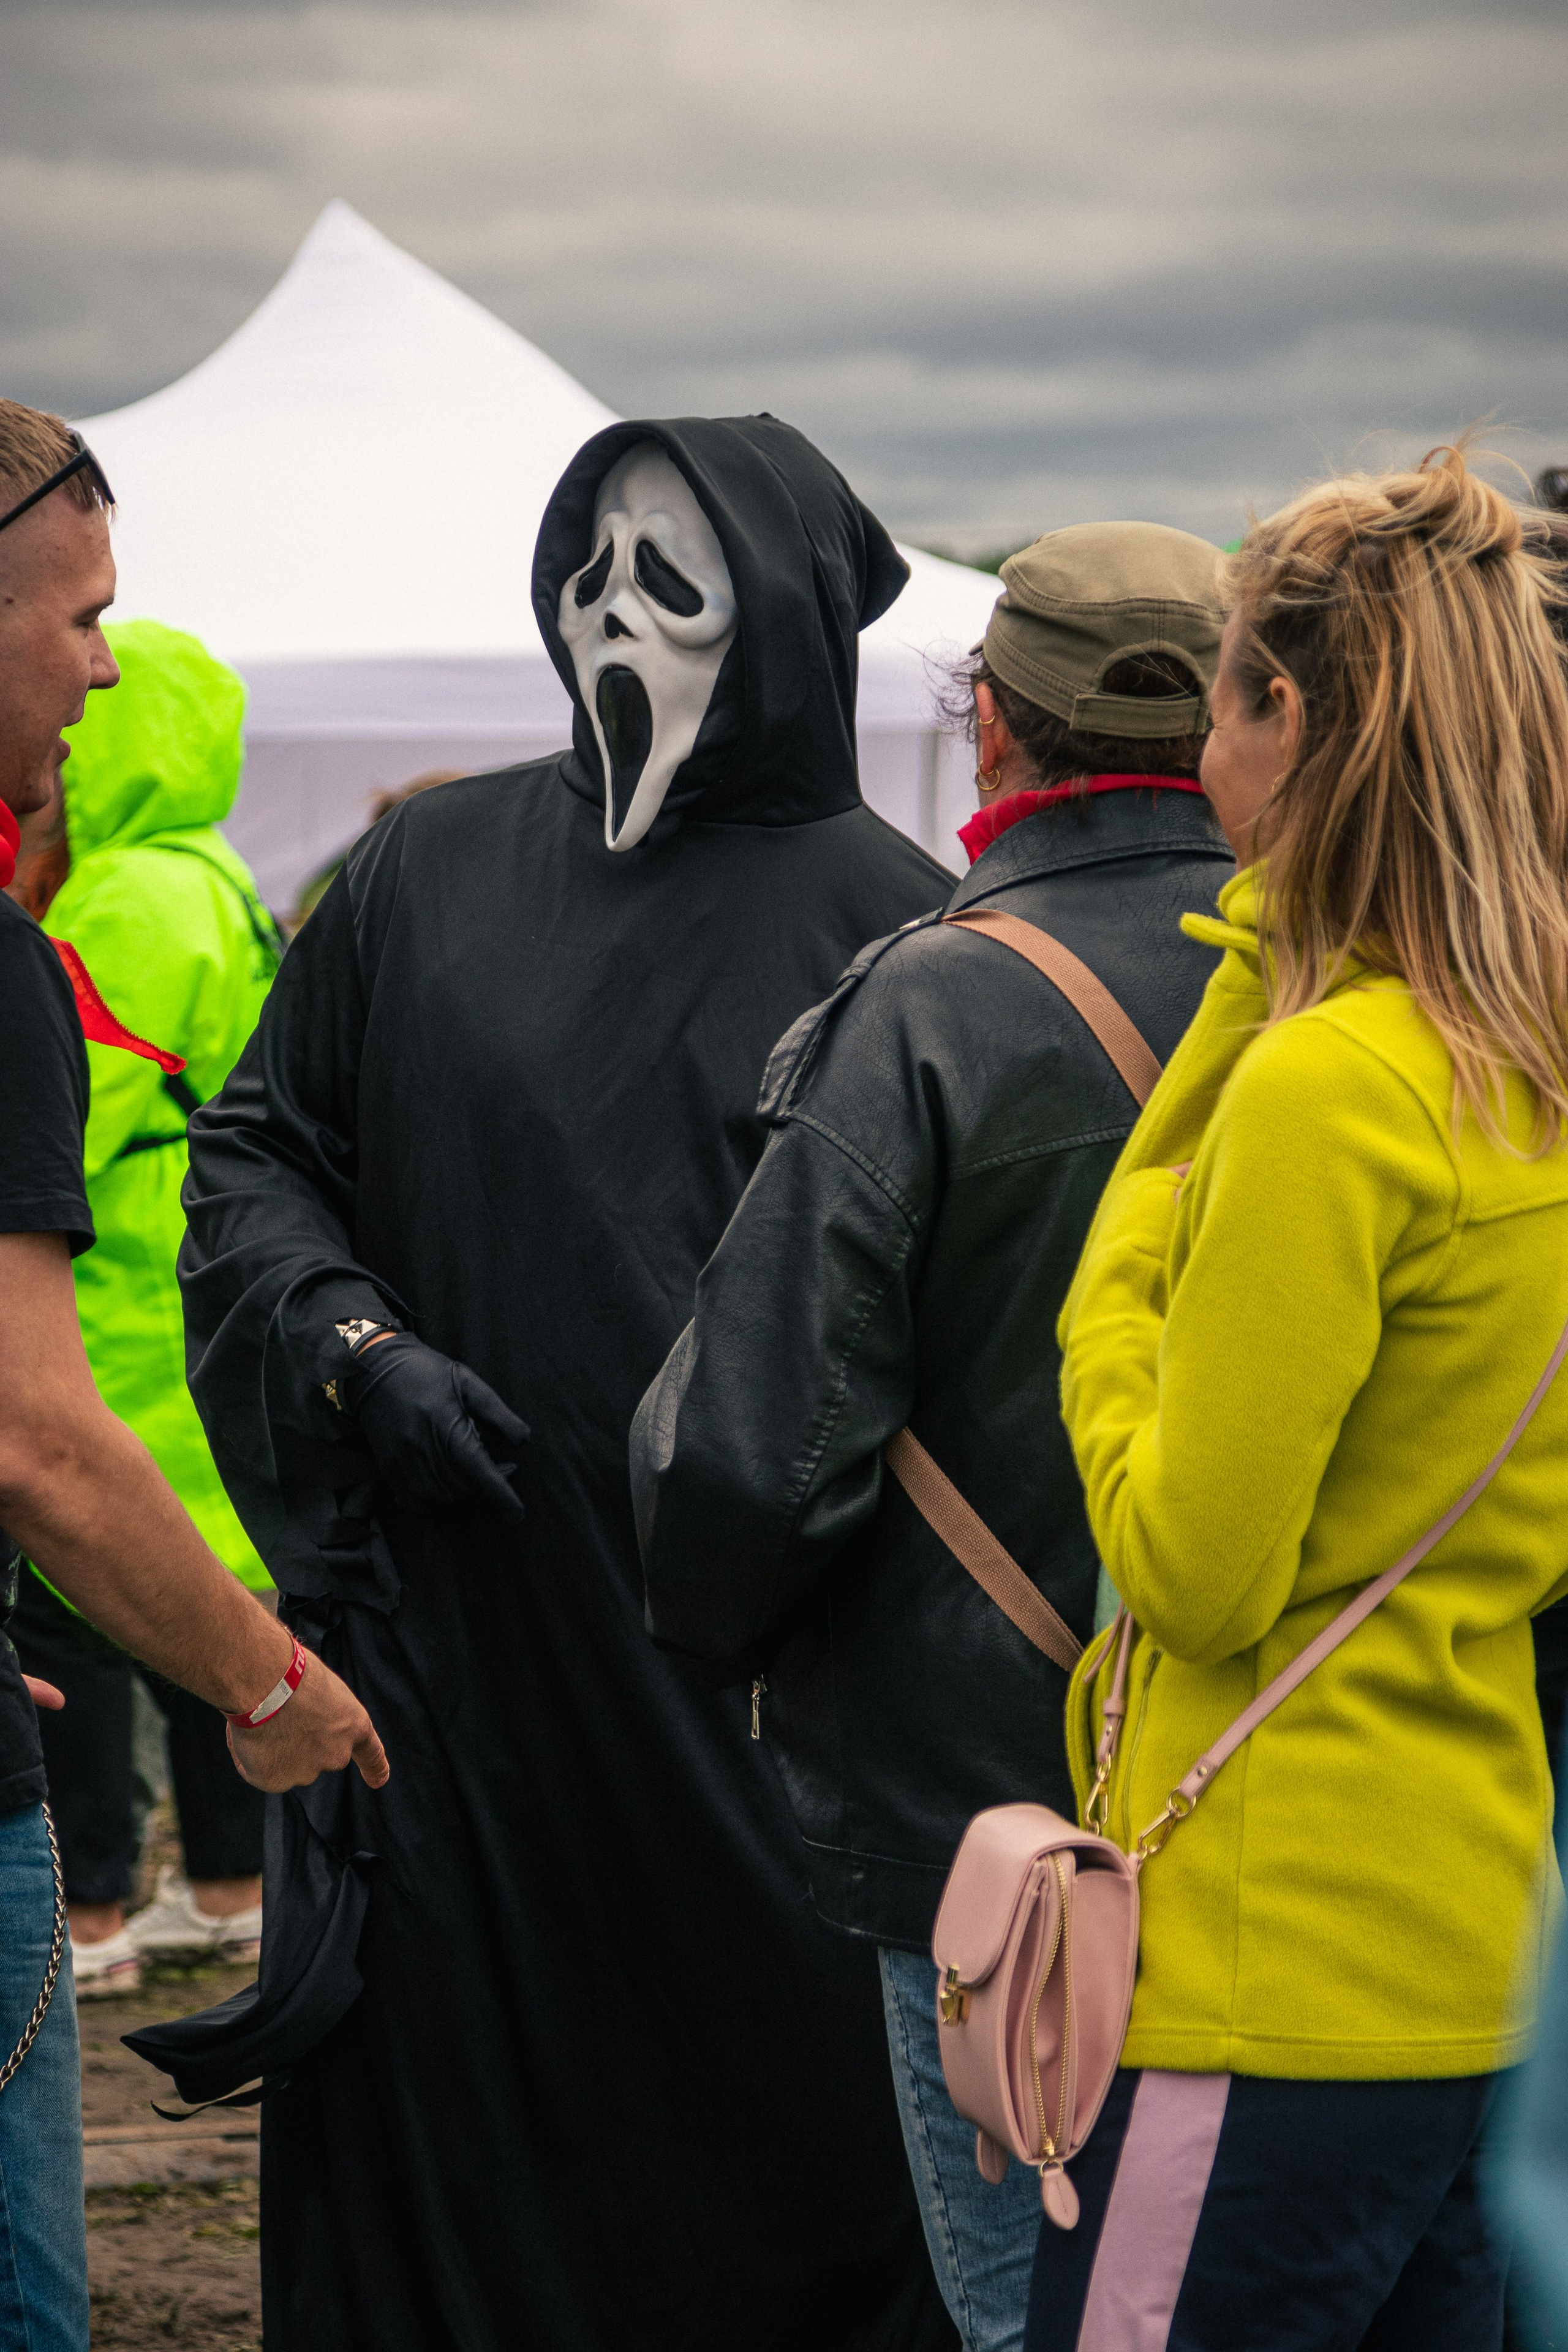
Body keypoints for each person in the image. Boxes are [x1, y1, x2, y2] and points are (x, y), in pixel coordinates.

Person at [159, 416, 966, 2352]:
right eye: (589, 565)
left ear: (783, 614)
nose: (614, 613)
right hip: (461, 1707)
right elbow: (259, 1156)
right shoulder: (425, 873)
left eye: (671, 574)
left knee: (783, 2180)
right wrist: (352, 1349)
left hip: (758, 1732)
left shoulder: (913, 935)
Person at [631, 522, 1233, 2352]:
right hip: (1308, 1776)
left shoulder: (935, 998)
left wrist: (728, 1639)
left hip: (994, 1818)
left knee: (1037, 2314)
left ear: (995, 723)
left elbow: (747, 1449)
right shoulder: (1367, 987)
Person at [1025, 443, 1568, 2351]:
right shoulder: (1513, 1061)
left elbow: (1195, 1570)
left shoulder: (1335, 1091)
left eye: (1222, 700)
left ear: (1291, 717)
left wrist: (1106, 1331)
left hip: (1262, 1973)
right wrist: (1275, 942)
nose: (1199, 755)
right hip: (1464, 1955)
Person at [0, 401, 387, 2349]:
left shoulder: (113, 905)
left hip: (133, 1335)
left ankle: (156, 1899)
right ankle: (181, 1896)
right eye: (79, 617)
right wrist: (271, 1687)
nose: (99, 668)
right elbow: (36, 1442)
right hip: (131, 1349)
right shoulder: (184, 895)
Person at [9, 620, 284, 1996]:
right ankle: (231, 1890)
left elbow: (71, 1108)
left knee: (84, 1602)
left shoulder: (125, 901)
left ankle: (95, 1912)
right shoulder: (221, 879)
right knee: (206, 1591)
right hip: (195, 1290)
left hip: (113, 1295)